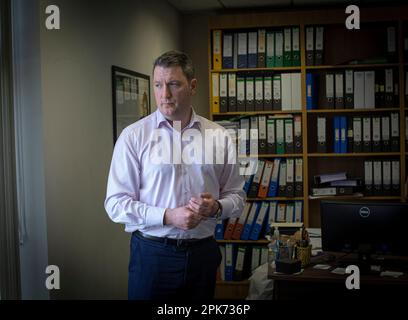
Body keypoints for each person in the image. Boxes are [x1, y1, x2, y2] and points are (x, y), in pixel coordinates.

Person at [104, 50, 245, 300]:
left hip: (203, 255)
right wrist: (168, 216)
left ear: (192, 86)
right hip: (152, 255)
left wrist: (216, 208)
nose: (164, 94)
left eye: (173, 84)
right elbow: (115, 204)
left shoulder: (219, 136)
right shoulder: (134, 136)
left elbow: (237, 196)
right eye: (158, 85)